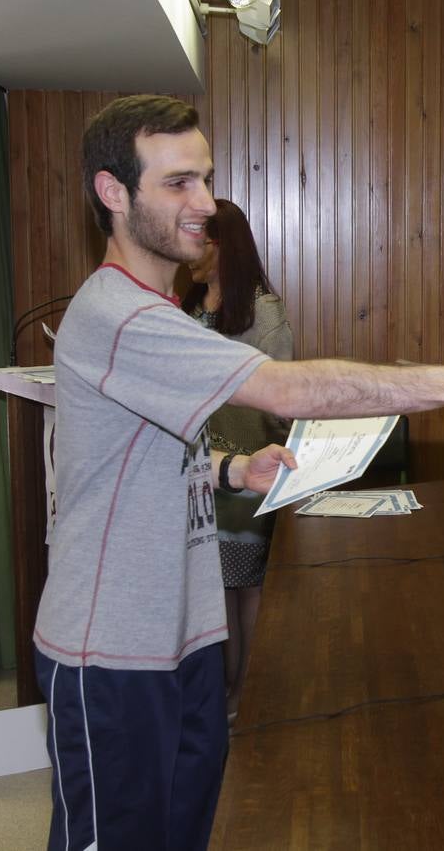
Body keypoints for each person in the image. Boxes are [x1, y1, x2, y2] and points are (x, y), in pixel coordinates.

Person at [34, 94, 444, 851]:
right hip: (110, 653)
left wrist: (233, 466)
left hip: (181, 636)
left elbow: (135, 448)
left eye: (205, 179)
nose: (205, 204)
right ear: (113, 193)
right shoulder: (118, 313)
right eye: (178, 183)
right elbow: (286, 388)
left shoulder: (162, 311)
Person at [182, 198, 293, 721]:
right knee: (216, 591)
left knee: (247, 591)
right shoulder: (191, 308)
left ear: (223, 246)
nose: (190, 254)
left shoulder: (262, 313)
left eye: (201, 241)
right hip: (205, 475)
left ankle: (244, 701)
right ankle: (223, 697)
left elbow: (281, 400)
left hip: (251, 473)